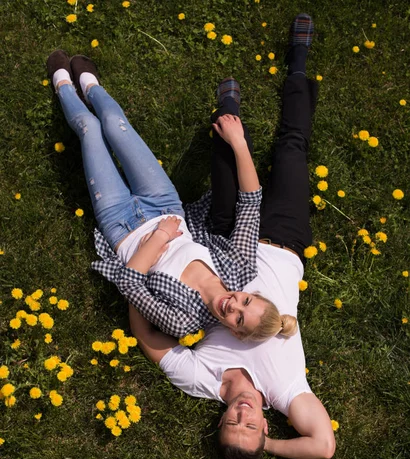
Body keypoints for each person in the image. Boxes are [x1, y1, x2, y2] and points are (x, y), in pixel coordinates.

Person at [128, 14, 336, 459]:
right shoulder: (285, 392)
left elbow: (148, 338)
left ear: (220, 419)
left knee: (226, 170)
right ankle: (298, 62)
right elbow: (323, 445)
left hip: (225, 240)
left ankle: (228, 114)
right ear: (264, 428)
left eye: (232, 423)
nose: (243, 415)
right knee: (292, 148)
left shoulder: (204, 382)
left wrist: (134, 285)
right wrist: (272, 448)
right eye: (252, 428)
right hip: (283, 239)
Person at [46, 51, 295, 342]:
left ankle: (62, 84)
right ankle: (90, 85)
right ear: (251, 293)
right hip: (162, 202)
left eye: (239, 318)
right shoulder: (239, 267)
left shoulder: (184, 321)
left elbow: (129, 284)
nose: (233, 304)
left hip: (120, 225)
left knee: (90, 131)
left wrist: (160, 238)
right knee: (114, 124)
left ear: (236, 333)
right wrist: (238, 142)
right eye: (246, 301)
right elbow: (251, 205)